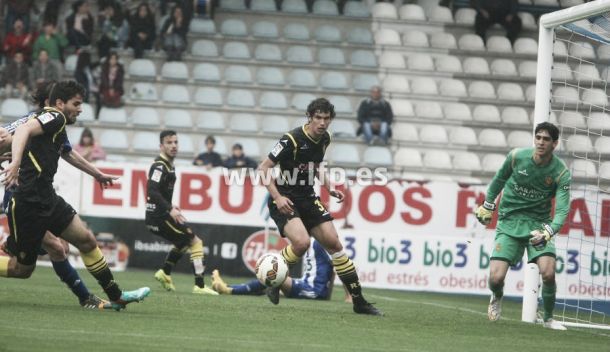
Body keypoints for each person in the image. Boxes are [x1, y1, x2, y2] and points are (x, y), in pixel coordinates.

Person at [0, 80, 150, 310]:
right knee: (23, 270)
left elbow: (67, 153)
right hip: (27, 202)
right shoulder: (54, 117)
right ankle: (87, 297)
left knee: (86, 240)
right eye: (77, 104)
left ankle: (116, 296)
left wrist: (97, 173)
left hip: (47, 197)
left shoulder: (53, 125)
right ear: (58, 102)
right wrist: (16, 161)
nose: (81, 109)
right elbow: (22, 130)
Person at [257, 97, 382, 315]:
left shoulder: (325, 138)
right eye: (318, 118)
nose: (322, 123)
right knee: (302, 242)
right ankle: (275, 278)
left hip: (308, 197)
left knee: (334, 244)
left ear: (330, 119)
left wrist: (329, 187)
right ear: (310, 117)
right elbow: (264, 168)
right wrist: (277, 197)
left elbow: (316, 166)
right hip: (285, 198)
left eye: (326, 118)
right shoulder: (291, 140)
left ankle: (359, 301)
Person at [475, 122, 570, 330]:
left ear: (555, 144)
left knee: (548, 272)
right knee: (496, 277)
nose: (541, 142)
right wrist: (488, 206)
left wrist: (549, 231)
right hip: (509, 221)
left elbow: (562, 210)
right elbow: (498, 180)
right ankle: (497, 295)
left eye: (546, 139)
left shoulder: (561, 173)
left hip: (538, 226)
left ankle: (548, 319)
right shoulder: (517, 157)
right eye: (538, 138)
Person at [146, 130, 218, 296]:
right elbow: (152, 191)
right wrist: (169, 208)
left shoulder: (169, 166)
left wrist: (171, 205)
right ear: (161, 146)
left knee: (183, 242)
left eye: (176, 142)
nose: (173, 146)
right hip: (158, 218)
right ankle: (199, 286)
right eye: (169, 143)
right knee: (195, 241)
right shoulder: (159, 166)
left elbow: (159, 193)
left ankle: (165, 272)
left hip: (160, 215)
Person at [212, 239, 339, 300]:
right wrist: (327, 295)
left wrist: (349, 298)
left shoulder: (322, 242)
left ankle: (228, 290)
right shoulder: (307, 241)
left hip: (312, 290)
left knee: (275, 276)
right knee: (266, 286)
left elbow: (340, 265)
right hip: (307, 285)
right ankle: (228, 286)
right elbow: (333, 270)